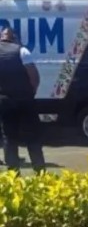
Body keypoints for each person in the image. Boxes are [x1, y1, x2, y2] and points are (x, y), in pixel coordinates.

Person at [0, 27, 46, 174]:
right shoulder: (22, 51)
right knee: (32, 136)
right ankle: (40, 173)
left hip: (5, 101)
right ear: (13, 38)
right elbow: (34, 76)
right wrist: (31, 92)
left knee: (9, 138)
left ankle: (13, 175)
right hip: (25, 99)